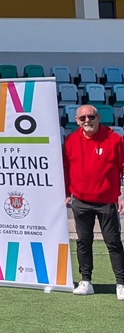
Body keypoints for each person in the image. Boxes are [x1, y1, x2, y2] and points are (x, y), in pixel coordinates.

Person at [62, 104, 124, 298]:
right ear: (76, 120)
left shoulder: (115, 140)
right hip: (80, 201)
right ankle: (86, 281)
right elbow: (65, 169)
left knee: (113, 242)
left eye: (91, 117)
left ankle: (121, 283)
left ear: (98, 117)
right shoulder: (70, 141)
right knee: (83, 241)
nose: (87, 121)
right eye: (82, 118)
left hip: (107, 200)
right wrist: (67, 193)